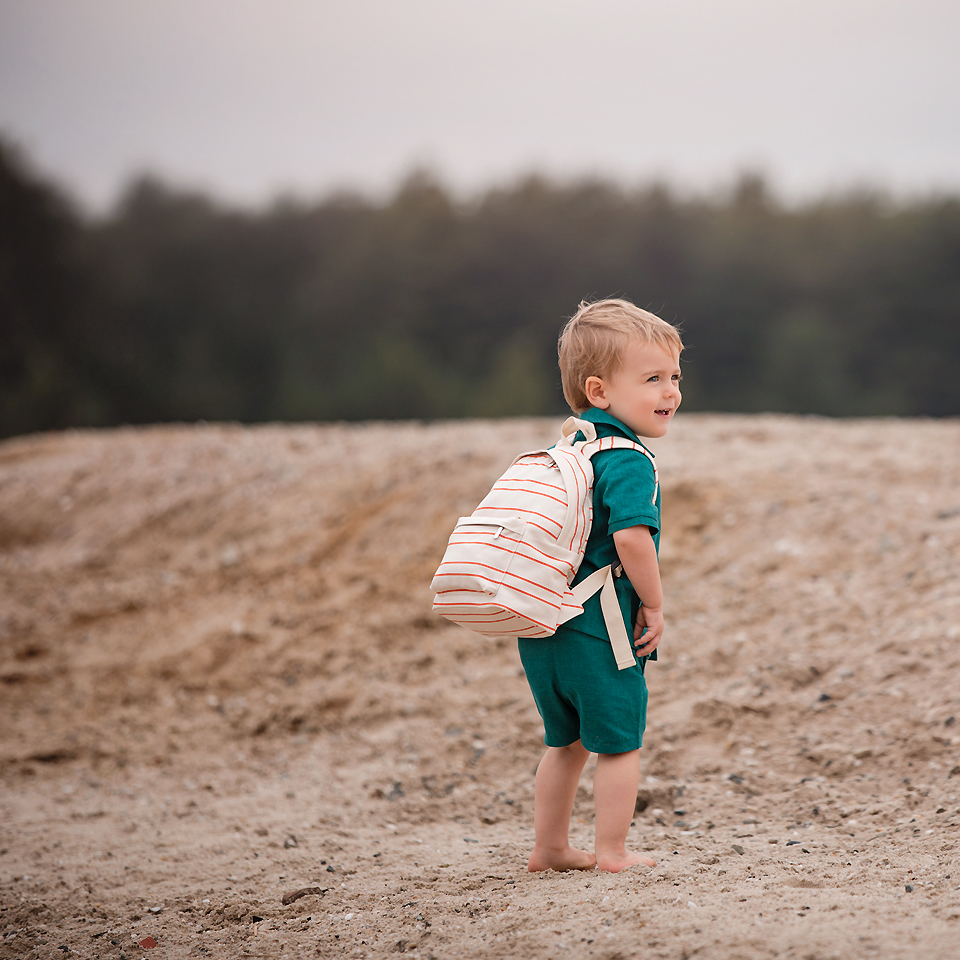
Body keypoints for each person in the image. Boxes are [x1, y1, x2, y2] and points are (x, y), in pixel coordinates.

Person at [520, 298, 683, 873]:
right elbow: (633, 539)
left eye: (674, 377)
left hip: (544, 623)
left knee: (565, 744)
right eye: (652, 379)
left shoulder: (569, 448)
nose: (670, 392)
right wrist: (655, 603)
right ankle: (612, 851)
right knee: (619, 742)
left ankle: (550, 848)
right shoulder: (630, 459)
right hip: (601, 628)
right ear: (599, 391)